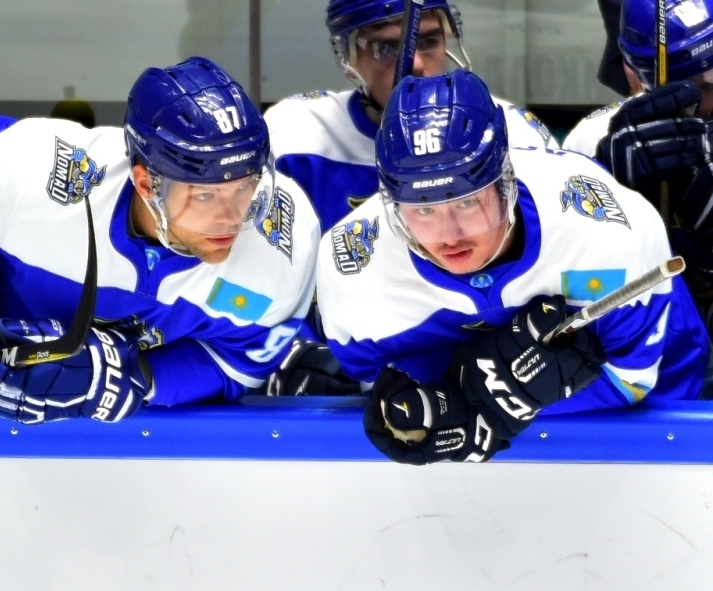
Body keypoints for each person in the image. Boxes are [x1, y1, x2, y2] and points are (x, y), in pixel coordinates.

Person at [316, 69, 709, 465]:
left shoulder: (605, 234)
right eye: (423, 210)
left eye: (467, 202)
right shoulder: (354, 273)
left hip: (653, 413)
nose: (449, 236)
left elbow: (633, 379)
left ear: (505, 182)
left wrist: (486, 406)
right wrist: (470, 388)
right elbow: (381, 386)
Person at [0, 56, 319, 424]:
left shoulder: (284, 245)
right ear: (146, 183)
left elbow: (239, 363)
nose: (231, 218)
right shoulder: (38, 176)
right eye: (204, 195)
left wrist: (138, 378)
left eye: (245, 187)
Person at [263, 0, 558, 234]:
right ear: (348, 58)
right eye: (386, 48)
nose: (415, 63)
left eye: (429, 41)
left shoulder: (512, 134)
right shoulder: (296, 137)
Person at [562, 0, 713, 310]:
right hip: (647, 321)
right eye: (697, 89)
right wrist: (610, 199)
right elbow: (572, 288)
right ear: (631, 72)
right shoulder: (592, 141)